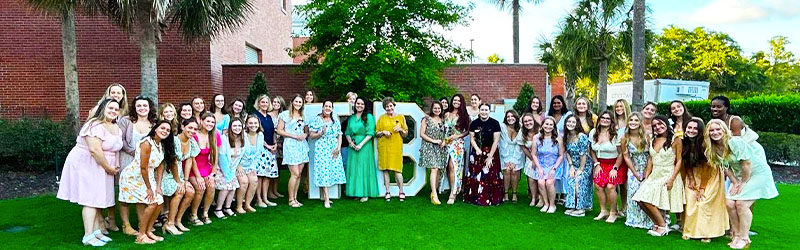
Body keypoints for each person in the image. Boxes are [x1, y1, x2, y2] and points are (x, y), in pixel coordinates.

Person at [57, 99, 123, 247]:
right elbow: (95, 150)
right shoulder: (94, 125)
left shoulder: (116, 127)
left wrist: (116, 165)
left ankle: (96, 232)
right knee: (90, 199)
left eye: (116, 109)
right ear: (102, 108)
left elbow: (116, 148)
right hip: (88, 164)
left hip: (104, 166)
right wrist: (108, 168)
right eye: (110, 108)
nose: (113, 111)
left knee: (98, 198)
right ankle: (88, 236)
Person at [706, 119, 778, 249]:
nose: (715, 132)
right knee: (729, 203)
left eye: (718, 129)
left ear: (724, 130)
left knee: (741, 204)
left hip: (757, 173)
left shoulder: (734, 142)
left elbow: (747, 163)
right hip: (740, 176)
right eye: (712, 130)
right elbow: (725, 167)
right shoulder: (713, 148)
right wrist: (734, 182)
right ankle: (736, 235)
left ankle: (744, 238)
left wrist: (743, 182)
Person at [118, 120, 175, 244]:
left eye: (167, 130)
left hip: (148, 176)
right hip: (134, 176)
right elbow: (143, 167)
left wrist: (158, 186)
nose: (165, 131)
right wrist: (149, 188)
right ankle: (141, 236)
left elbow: (160, 166)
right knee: (152, 203)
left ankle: (149, 231)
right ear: (155, 128)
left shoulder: (161, 144)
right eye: (162, 128)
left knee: (159, 201)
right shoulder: (147, 143)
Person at [632, 115, 685, 237]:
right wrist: (646, 176)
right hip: (655, 173)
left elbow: (679, 160)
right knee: (639, 199)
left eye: (660, 124)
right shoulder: (652, 139)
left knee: (647, 199)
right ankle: (656, 223)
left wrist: (672, 179)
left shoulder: (676, 139)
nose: (658, 127)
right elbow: (651, 159)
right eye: (655, 125)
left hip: (667, 173)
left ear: (666, 124)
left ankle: (662, 225)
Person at [681, 118, 729, 243]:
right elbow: (687, 163)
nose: (692, 130)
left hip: (709, 175)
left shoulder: (704, 144)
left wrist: (702, 188)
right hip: (693, 174)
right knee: (691, 202)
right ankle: (689, 230)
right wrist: (691, 179)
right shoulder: (684, 143)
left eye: (695, 128)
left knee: (704, 202)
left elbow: (707, 168)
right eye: (689, 127)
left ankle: (707, 232)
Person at [116, 96, 157, 235]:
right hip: (128, 160)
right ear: (134, 107)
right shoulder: (126, 121)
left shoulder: (154, 123)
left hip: (146, 163)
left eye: (145, 106)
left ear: (149, 107)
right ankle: (126, 225)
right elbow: (119, 140)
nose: (142, 108)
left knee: (141, 192)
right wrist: (135, 152)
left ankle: (142, 223)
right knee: (125, 194)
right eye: (139, 106)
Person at [163, 118, 200, 234]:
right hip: (167, 173)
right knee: (180, 191)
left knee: (191, 192)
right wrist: (179, 182)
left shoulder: (192, 142)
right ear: (183, 127)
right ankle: (170, 223)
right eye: (190, 127)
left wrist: (186, 180)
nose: (192, 131)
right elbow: (173, 162)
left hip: (179, 174)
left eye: (195, 129)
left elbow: (189, 160)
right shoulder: (174, 141)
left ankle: (178, 220)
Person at [462, 103, 504, 206]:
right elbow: (472, 138)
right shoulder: (474, 123)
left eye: (486, 110)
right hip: (477, 152)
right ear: (479, 111)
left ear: (489, 111)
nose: (484, 112)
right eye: (482, 110)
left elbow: (496, 141)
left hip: (491, 152)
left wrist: (490, 157)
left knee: (490, 175)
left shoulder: (495, 123)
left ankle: (491, 199)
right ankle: (474, 198)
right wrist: (477, 149)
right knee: (475, 174)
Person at [309, 101, 347, 208]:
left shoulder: (335, 120)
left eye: (330, 106)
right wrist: (320, 133)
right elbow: (311, 135)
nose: (328, 108)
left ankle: (325, 196)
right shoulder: (317, 119)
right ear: (322, 107)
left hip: (333, 148)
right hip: (322, 148)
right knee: (324, 171)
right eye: (326, 106)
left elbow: (339, 134)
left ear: (332, 108)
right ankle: (326, 199)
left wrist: (338, 148)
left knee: (331, 171)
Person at [589, 111, 625, 223]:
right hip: (600, 164)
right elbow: (591, 150)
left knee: (610, 186)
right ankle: (603, 210)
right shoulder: (593, 132)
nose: (604, 120)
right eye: (602, 118)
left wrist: (615, 168)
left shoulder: (616, 134)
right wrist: (596, 164)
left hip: (615, 164)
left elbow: (621, 153)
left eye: (607, 118)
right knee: (598, 186)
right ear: (599, 119)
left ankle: (613, 212)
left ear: (611, 121)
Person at [276, 94, 310, 208]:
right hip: (290, 145)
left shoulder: (303, 115)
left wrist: (304, 135)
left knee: (299, 174)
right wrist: (293, 136)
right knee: (294, 173)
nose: (298, 104)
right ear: (292, 102)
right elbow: (279, 130)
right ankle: (290, 199)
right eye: (296, 101)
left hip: (301, 146)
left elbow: (306, 131)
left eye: (300, 102)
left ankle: (295, 198)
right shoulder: (284, 115)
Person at [621, 112, 653, 229]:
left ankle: (648, 220)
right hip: (633, 168)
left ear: (640, 123)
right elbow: (626, 156)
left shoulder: (647, 136)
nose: (633, 123)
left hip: (647, 167)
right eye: (631, 120)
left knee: (646, 194)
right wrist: (634, 173)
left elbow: (651, 155)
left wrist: (646, 172)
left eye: (636, 120)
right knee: (633, 192)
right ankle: (634, 219)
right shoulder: (625, 138)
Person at [345, 97, 380, 202]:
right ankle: (356, 192)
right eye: (358, 103)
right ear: (355, 104)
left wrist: (360, 145)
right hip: (353, 146)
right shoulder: (351, 118)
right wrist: (351, 142)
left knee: (363, 168)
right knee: (354, 169)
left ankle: (365, 193)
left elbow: (371, 133)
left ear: (365, 106)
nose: (359, 106)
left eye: (362, 104)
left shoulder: (369, 117)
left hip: (365, 146)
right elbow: (347, 132)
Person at [189, 112, 220, 225]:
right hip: (193, 168)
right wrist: (198, 176)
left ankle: (205, 213)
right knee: (200, 187)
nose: (210, 124)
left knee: (211, 186)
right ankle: (193, 215)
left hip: (207, 168)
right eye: (208, 121)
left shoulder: (214, 135)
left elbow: (215, 156)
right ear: (201, 121)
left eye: (212, 122)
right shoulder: (194, 136)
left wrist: (213, 173)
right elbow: (192, 158)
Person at [376, 97, 409, 201]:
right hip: (384, 147)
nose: (389, 108)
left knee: (397, 170)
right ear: (384, 108)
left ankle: (401, 191)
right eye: (387, 106)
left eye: (390, 106)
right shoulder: (381, 118)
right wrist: (383, 132)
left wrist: (400, 130)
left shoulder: (400, 117)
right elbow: (376, 133)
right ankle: (387, 191)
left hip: (396, 147)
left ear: (394, 106)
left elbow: (405, 134)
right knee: (385, 169)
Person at [530, 117, 565, 213]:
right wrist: (539, 168)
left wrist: (554, 168)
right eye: (546, 124)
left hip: (554, 164)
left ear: (553, 127)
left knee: (549, 183)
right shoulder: (536, 137)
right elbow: (534, 154)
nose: (548, 126)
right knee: (541, 182)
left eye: (551, 125)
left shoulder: (558, 138)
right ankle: (546, 203)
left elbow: (561, 155)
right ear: (542, 125)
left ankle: (552, 205)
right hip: (541, 164)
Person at [442, 94, 470, 204]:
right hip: (446, 142)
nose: (456, 102)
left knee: (453, 166)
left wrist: (457, 136)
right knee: (447, 168)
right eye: (454, 100)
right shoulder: (446, 114)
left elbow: (467, 130)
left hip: (457, 143)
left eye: (458, 101)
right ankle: (452, 188)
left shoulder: (463, 116)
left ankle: (453, 194)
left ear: (461, 102)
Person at [562, 115, 592, 217]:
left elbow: (583, 154)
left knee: (578, 180)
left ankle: (581, 208)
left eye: (573, 122)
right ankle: (572, 205)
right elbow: (567, 153)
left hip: (584, 165)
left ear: (577, 124)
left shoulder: (581, 137)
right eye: (568, 122)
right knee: (571, 180)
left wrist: (580, 169)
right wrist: (571, 166)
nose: (570, 124)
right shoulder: (567, 137)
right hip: (573, 164)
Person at [213, 118, 242, 219]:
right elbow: (222, 157)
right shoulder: (224, 138)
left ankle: (227, 207)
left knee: (233, 187)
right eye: (234, 126)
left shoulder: (242, 139)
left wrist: (232, 171)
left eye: (239, 126)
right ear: (230, 127)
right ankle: (218, 209)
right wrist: (227, 174)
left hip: (232, 168)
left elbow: (239, 158)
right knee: (226, 187)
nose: (237, 128)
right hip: (221, 168)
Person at [419, 102, 448, 205]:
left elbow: (446, 133)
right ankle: (434, 195)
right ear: (432, 109)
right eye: (435, 108)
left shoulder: (443, 120)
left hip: (440, 147)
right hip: (429, 146)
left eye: (439, 108)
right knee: (434, 168)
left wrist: (444, 141)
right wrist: (433, 141)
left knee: (439, 169)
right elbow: (421, 134)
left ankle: (433, 191)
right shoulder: (426, 119)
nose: (437, 110)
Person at [253, 95, 279, 207]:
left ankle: (265, 198)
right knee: (260, 175)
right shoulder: (255, 116)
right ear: (258, 103)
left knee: (267, 175)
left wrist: (275, 144)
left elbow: (272, 132)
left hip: (270, 150)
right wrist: (267, 146)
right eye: (262, 102)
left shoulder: (269, 117)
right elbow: (256, 133)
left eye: (266, 102)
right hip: (261, 149)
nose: (264, 104)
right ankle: (258, 199)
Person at [238, 116, 265, 213]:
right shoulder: (242, 135)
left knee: (254, 180)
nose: (253, 125)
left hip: (251, 165)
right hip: (239, 164)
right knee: (244, 181)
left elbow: (259, 154)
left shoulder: (260, 135)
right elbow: (236, 152)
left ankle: (247, 204)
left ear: (258, 124)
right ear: (246, 124)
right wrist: (238, 166)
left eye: (255, 123)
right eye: (251, 123)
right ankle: (239, 206)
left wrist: (253, 167)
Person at [499, 110, 524, 203]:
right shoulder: (502, 127)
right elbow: (502, 144)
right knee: (507, 170)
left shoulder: (520, 128)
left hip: (517, 154)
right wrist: (506, 160)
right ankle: (505, 194)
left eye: (512, 116)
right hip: (504, 153)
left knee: (514, 171)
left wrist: (514, 160)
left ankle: (514, 194)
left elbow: (519, 145)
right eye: (508, 116)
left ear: (516, 117)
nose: (510, 118)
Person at [519, 113, 541, 207]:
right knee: (531, 178)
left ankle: (541, 197)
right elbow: (523, 147)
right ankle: (533, 197)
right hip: (530, 157)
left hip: (542, 158)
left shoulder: (540, 130)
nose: (528, 123)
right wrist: (532, 159)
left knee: (540, 177)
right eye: (525, 121)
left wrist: (537, 161)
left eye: (529, 120)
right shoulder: (522, 133)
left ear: (533, 121)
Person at [268, 96, 287, 199]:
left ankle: (275, 190)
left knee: (278, 169)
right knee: (271, 168)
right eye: (274, 102)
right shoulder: (268, 115)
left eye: (278, 102)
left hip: (282, 143)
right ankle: (269, 191)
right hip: (272, 143)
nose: (275, 104)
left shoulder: (283, 115)